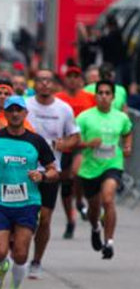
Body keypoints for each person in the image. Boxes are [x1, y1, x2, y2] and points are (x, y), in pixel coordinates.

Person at [0, 96, 58, 289]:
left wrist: (42, 175)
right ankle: (1, 268)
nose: (14, 114)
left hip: (28, 202)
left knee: (21, 254)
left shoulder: (36, 141)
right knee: (0, 252)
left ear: (25, 114)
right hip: (1, 202)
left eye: (18, 110)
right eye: (10, 110)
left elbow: (53, 170)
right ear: (5, 113)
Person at [25, 70, 79, 278]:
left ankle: (36, 260)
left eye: (49, 80)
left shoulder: (63, 109)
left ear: (55, 84)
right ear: (35, 83)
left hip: (50, 171)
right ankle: (16, 252)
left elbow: (74, 136)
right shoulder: (25, 105)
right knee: (22, 216)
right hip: (24, 170)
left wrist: (64, 143)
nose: (45, 84)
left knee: (44, 219)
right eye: (40, 80)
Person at [76, 80, 133, 259]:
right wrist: (88, 144)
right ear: (96, 96)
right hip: (90, 168)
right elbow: (74, 141)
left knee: (108, 200)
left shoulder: (121, 117)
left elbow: (127, 132)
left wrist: (128, 146)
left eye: (107, 93)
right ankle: (95, 228)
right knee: (93, 210)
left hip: (112, 164)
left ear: (113, 97)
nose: (104, 96)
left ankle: (109, 242)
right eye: (100, 93)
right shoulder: (84, 117)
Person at [55, 67, 96, 239]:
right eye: (69, 76)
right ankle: (70, 218)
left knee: (76, 173)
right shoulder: (58, 99)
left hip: (83, 144)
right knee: (66, 186)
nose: (72, 80)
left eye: (76, 76)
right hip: (64, 145)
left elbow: (97, 118)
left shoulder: (90, 98)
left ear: (81, 80)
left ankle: (80, 201)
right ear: (65, 80)